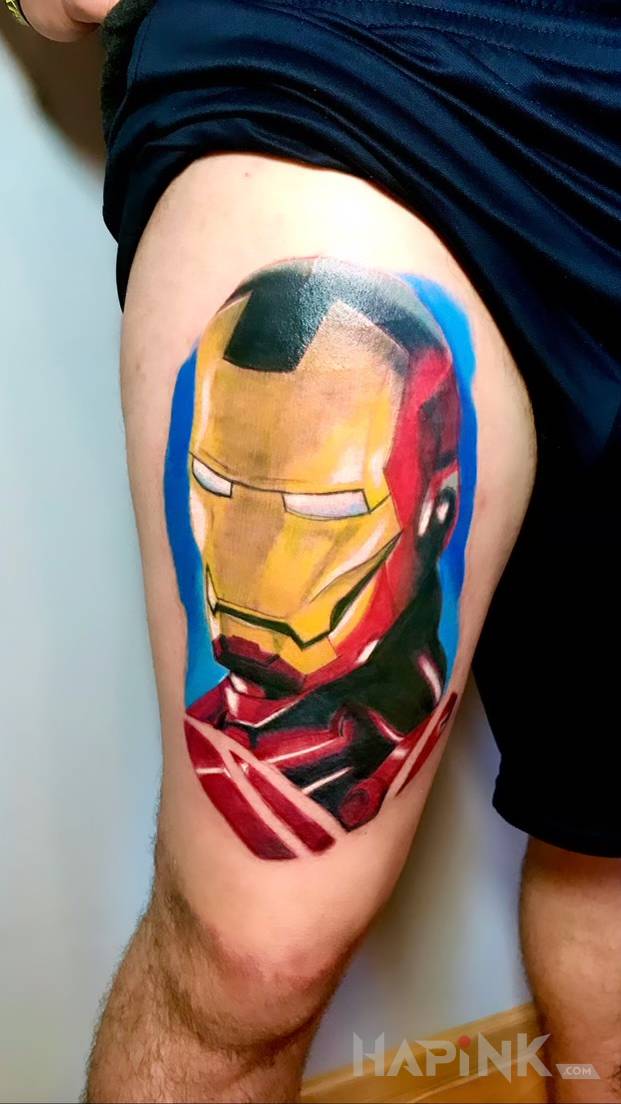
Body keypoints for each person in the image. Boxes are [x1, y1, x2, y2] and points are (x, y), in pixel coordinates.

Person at [7, 1, 620, 1101]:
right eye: (216, 489)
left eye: (324, 511)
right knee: (249, 958)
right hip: (347, 50)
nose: (255, 575)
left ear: (427, 508)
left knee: (607, 843)